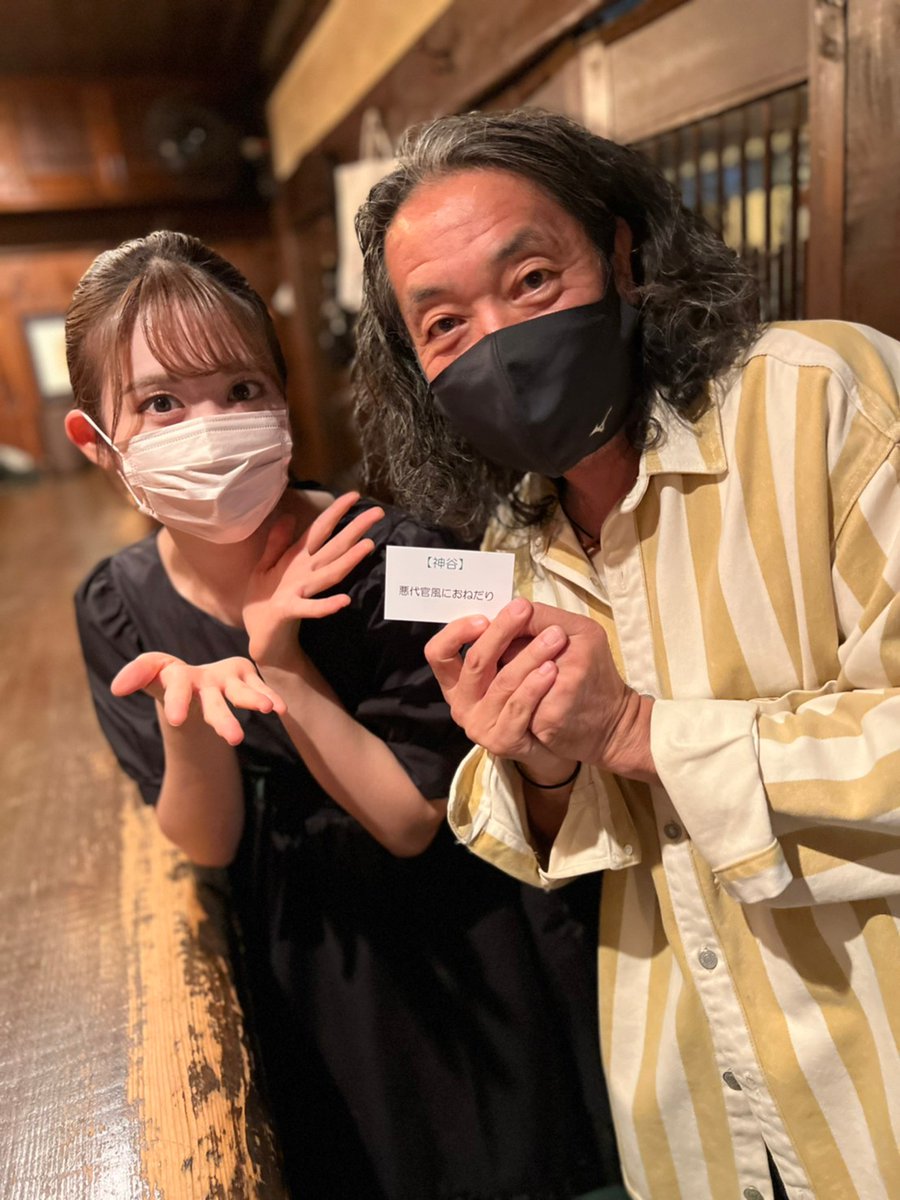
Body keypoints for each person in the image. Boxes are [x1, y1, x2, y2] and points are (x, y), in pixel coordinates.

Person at [351, 108, 900, 1200]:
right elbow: (576, 841)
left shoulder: (822, 396)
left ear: (621, 254)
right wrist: (541, 762)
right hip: (691, 1098)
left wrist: (640, 730)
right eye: (445, 322)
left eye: (532, 280)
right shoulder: (510, 545)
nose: (498, 340)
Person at [64, 230, 625, 1200]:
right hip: (306, 959)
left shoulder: (407, 558)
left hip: (460, 949)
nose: (212, 425)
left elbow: (410, 820)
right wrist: (186, 720)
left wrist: (278, 662)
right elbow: (205, 840)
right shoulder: (115, 603)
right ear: (98, 444)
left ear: (283, 401)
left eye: (241, 389)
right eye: (161, 403)